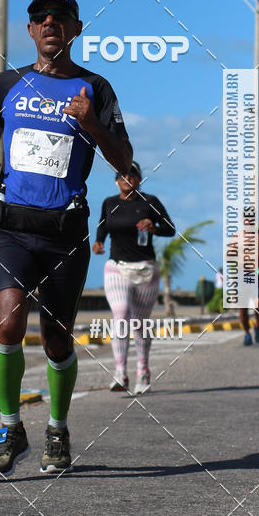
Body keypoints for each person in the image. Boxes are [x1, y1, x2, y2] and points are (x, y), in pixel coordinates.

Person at [0, 0, 133, 476]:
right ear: (30, 29)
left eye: (60, 17)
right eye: (40, 16)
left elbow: (126, 163)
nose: (50, 23)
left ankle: (57, 431)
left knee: (57, 340)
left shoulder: (95, 89)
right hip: (11, 226)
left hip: (64, 232)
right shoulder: (8, 82)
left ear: (76, 29)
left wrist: (94, 127)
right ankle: (10, 427)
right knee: (7, 323)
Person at [92, 165, 175, 393]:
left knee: (140, 324)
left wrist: (154, 227)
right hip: (116, 267)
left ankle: (143, 371)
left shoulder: (150, 202)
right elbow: (103, 226)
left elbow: (170, 229)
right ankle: (120, 373)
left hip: (146, 269)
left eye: (132, 174)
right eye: (122, 175)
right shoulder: (110, 203)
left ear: (139, 178)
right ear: (116, 180)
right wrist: (98, 242)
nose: (127, 178)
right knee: (120, 315)